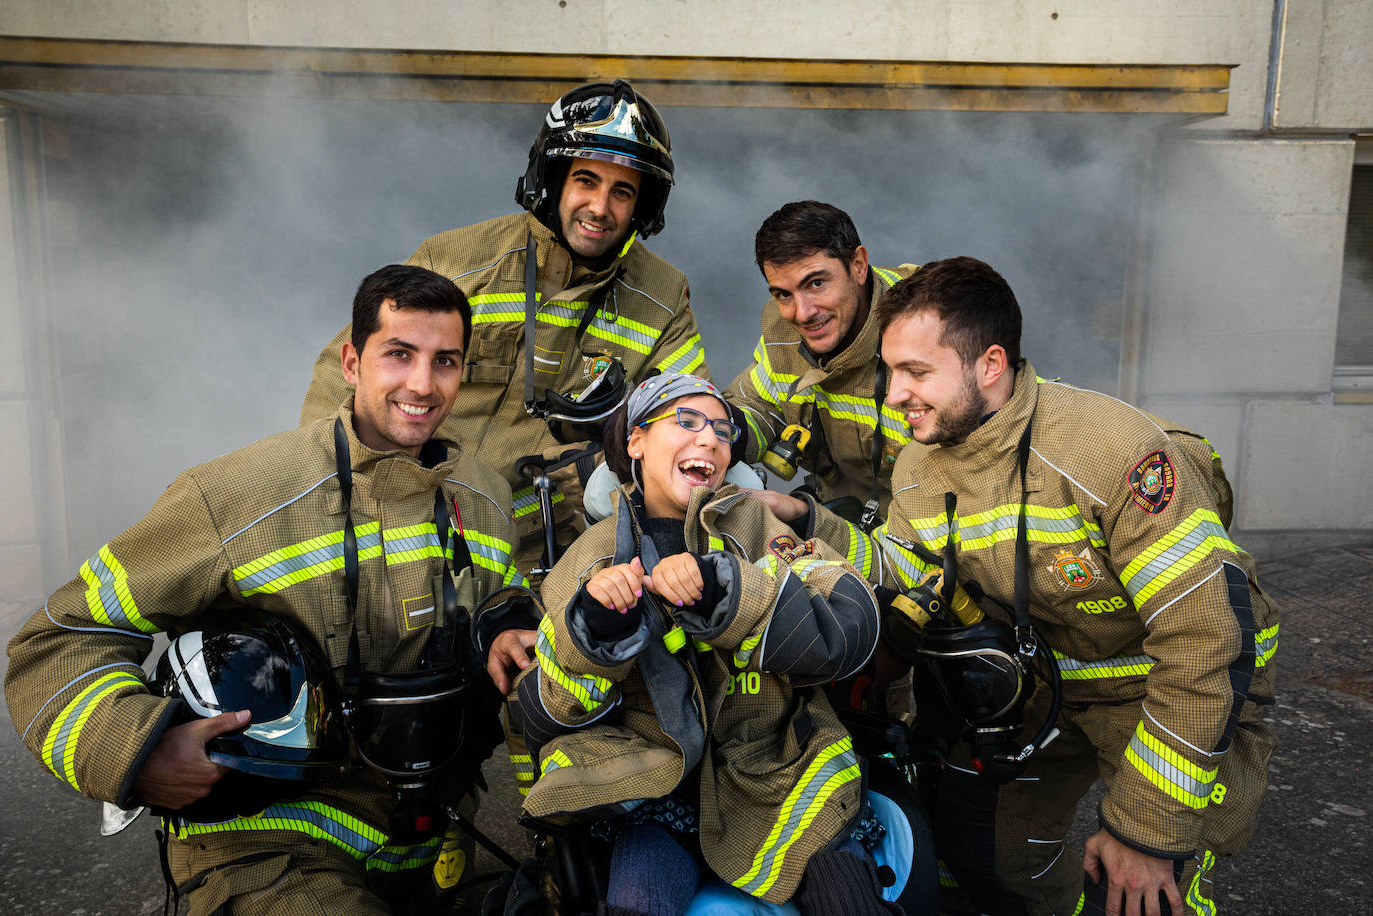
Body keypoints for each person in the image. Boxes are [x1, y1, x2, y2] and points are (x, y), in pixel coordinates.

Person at [5, 265, 537, 913]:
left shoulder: (481, 497)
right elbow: (58, 638)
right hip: (263, 845)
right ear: (352, 361)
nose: (422, 385)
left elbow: (498, 597)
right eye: (399, 354)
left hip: (422, 840)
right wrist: (137, 753)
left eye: (445, 362)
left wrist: (508, 624)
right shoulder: (238, 497)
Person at [767, 256, 1278, 915]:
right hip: (1046, 688)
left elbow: (1205, 638)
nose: (893, 394)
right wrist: (812, 535)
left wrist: (1147, 831)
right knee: (990, 863)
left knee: (1140, 889)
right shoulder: (920, 467)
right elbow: (913, 577)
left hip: (1171, 687)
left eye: (917, 372)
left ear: (990, 365)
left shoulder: (1110, 451)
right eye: (891, 372)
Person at [505, 373, 898, 916]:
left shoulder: (758, 525)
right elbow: (548, 711)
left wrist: (728, 590)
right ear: (635, 442)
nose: (710, 439)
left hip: (784, 782)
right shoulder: (590, 559)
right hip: (655, 794)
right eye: (685, 422)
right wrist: (595, 629)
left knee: (848, 902)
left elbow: (844, 628)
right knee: (635, 902)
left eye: (721, 429)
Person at [300, 79, 711, 586]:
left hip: (553, 563)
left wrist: (609, 462)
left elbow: (696, 420)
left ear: (643, 206)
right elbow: (346, 384)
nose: (600, 208)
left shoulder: (664, 296)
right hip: (407, 539)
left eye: (622, 191)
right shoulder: (458, 261)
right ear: (552, 178)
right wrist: (332, 504)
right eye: (586, 180)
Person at [724, 200, 919, 543]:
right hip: (839, 522)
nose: (802, 313)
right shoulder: (784, 332)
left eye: (816, 283)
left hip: (929, 536)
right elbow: (756, 407)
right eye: (784, 294)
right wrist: (710, 431)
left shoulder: (930, 325)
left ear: (858, 265)